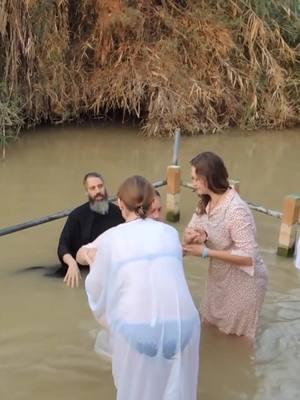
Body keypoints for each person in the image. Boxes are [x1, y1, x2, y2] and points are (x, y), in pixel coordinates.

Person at [83, 176, 200, 400]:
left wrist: (93, 261)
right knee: (174, 387)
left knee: (138, 390)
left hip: (138, 328)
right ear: (151, 203)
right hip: (184, 325)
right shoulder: (170, 233)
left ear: (120, 203)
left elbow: (97, 286)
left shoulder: (113, 237)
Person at [183, 151, 268, 340]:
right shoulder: (206, 203)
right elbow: (189, 233)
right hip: (219, 278)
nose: (193, 183)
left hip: (245, 282)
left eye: (196, 179)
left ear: (209, 178)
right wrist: (196, 235)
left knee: (238, 340)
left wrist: (206, 252)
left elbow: (249, 257)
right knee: (209, 326)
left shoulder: (236, 210)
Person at [57, 172, 124, 288]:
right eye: (92, 188)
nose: (98, 191)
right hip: (80, 271)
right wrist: (72, 263)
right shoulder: (77, 215)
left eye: (100, 186)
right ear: (87, 192)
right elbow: (63, 245)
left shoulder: (120, 213)